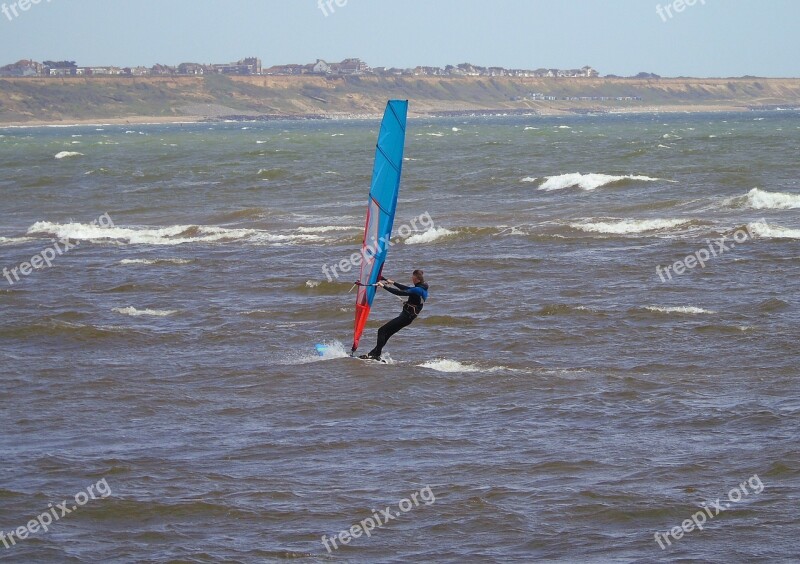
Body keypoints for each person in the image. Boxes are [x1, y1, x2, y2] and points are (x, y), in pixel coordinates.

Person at [360, 269, 429, 361]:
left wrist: (383, 286)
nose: (412, 278)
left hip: (405, 317)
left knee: (381, 331)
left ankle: (377, 355)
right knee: (387, 333)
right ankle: (374, 353)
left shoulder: (417, 290)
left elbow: (399, 292)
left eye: (413, 277)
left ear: (417, 279)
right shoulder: (421, 288)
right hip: (407, 317)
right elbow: (406, 288)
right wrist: (393, 283)